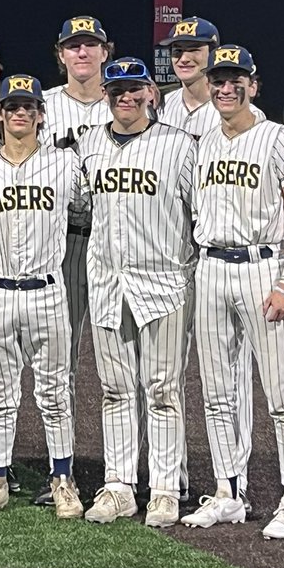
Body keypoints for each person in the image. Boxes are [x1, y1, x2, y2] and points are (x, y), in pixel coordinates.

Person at [182, 45, 284, 540]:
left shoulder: (278, 138)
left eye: (237, 79)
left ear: (253, 85)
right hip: (211, 268)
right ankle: (228, 493)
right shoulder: (203, 142)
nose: (226, 87)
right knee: (218, 394)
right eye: (219, 79)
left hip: (263, 269)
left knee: (281, 394)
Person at [76, 57, 197, 529]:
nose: (124, 97)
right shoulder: (88, 145)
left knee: (164, 389)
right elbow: (83, 208)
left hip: (164, 283)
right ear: (105, 93)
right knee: (114, 389)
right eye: (115, 89)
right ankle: (120, 485)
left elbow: (199, 213)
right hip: (108, 282)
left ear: (150, 92)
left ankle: (165, 488)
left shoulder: (180, 146)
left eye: (133, 89)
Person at [0, 75, 85, 520]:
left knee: (54, 394)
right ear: (0, 113)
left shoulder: (65, 166)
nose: (20, 113)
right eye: (12, 106)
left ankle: (63, 479)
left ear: (40, 113)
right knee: (0, 395)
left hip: (48, 290)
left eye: (28, 106)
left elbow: (86, 210)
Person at [156, 16, 262, 514]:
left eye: (195, 49)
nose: (185, 57)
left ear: (215, 53)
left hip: (222, 255)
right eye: (178, 49)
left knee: (231, 372)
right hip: (173, 254)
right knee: (170, 372)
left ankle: (233, 481)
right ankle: (169, 479)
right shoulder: (161, 105)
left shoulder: (246, 114)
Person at [33, 15, 115, 506]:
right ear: (60, 54)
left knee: (121, 361)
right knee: (57, 362)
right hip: (60, 241)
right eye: (73, 46)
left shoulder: (127, 97)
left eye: (90, 45)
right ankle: (59, 471)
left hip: (114, 242)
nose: (81, 53)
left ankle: (124, 470)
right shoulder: (42, 106)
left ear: (106, 51)